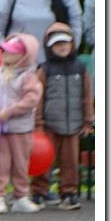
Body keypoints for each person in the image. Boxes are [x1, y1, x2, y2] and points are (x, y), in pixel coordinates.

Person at [0, 33, 43, 214]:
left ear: (24, 56)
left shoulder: (29, 76)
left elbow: (31, 99)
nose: (5, 55)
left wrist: (10, 111)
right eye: (4, 51)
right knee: (1, 163)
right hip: (0, 129)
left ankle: (21, 196)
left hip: (20, 129)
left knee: (21, 163)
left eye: (10, 52)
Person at [33, 22, 93, 210]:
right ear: (49, 46)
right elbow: (38, 98)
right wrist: (38, 124)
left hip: (74, 125)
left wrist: (87, 121)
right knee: (44, 160)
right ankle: (39, 191)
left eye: (65, 43)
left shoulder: (81, 68)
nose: (62, 47)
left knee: (70, 162)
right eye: (57, 44)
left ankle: (69, 192)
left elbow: (87, 96)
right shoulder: (44, 69)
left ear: (72, 43)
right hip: (49, 124)